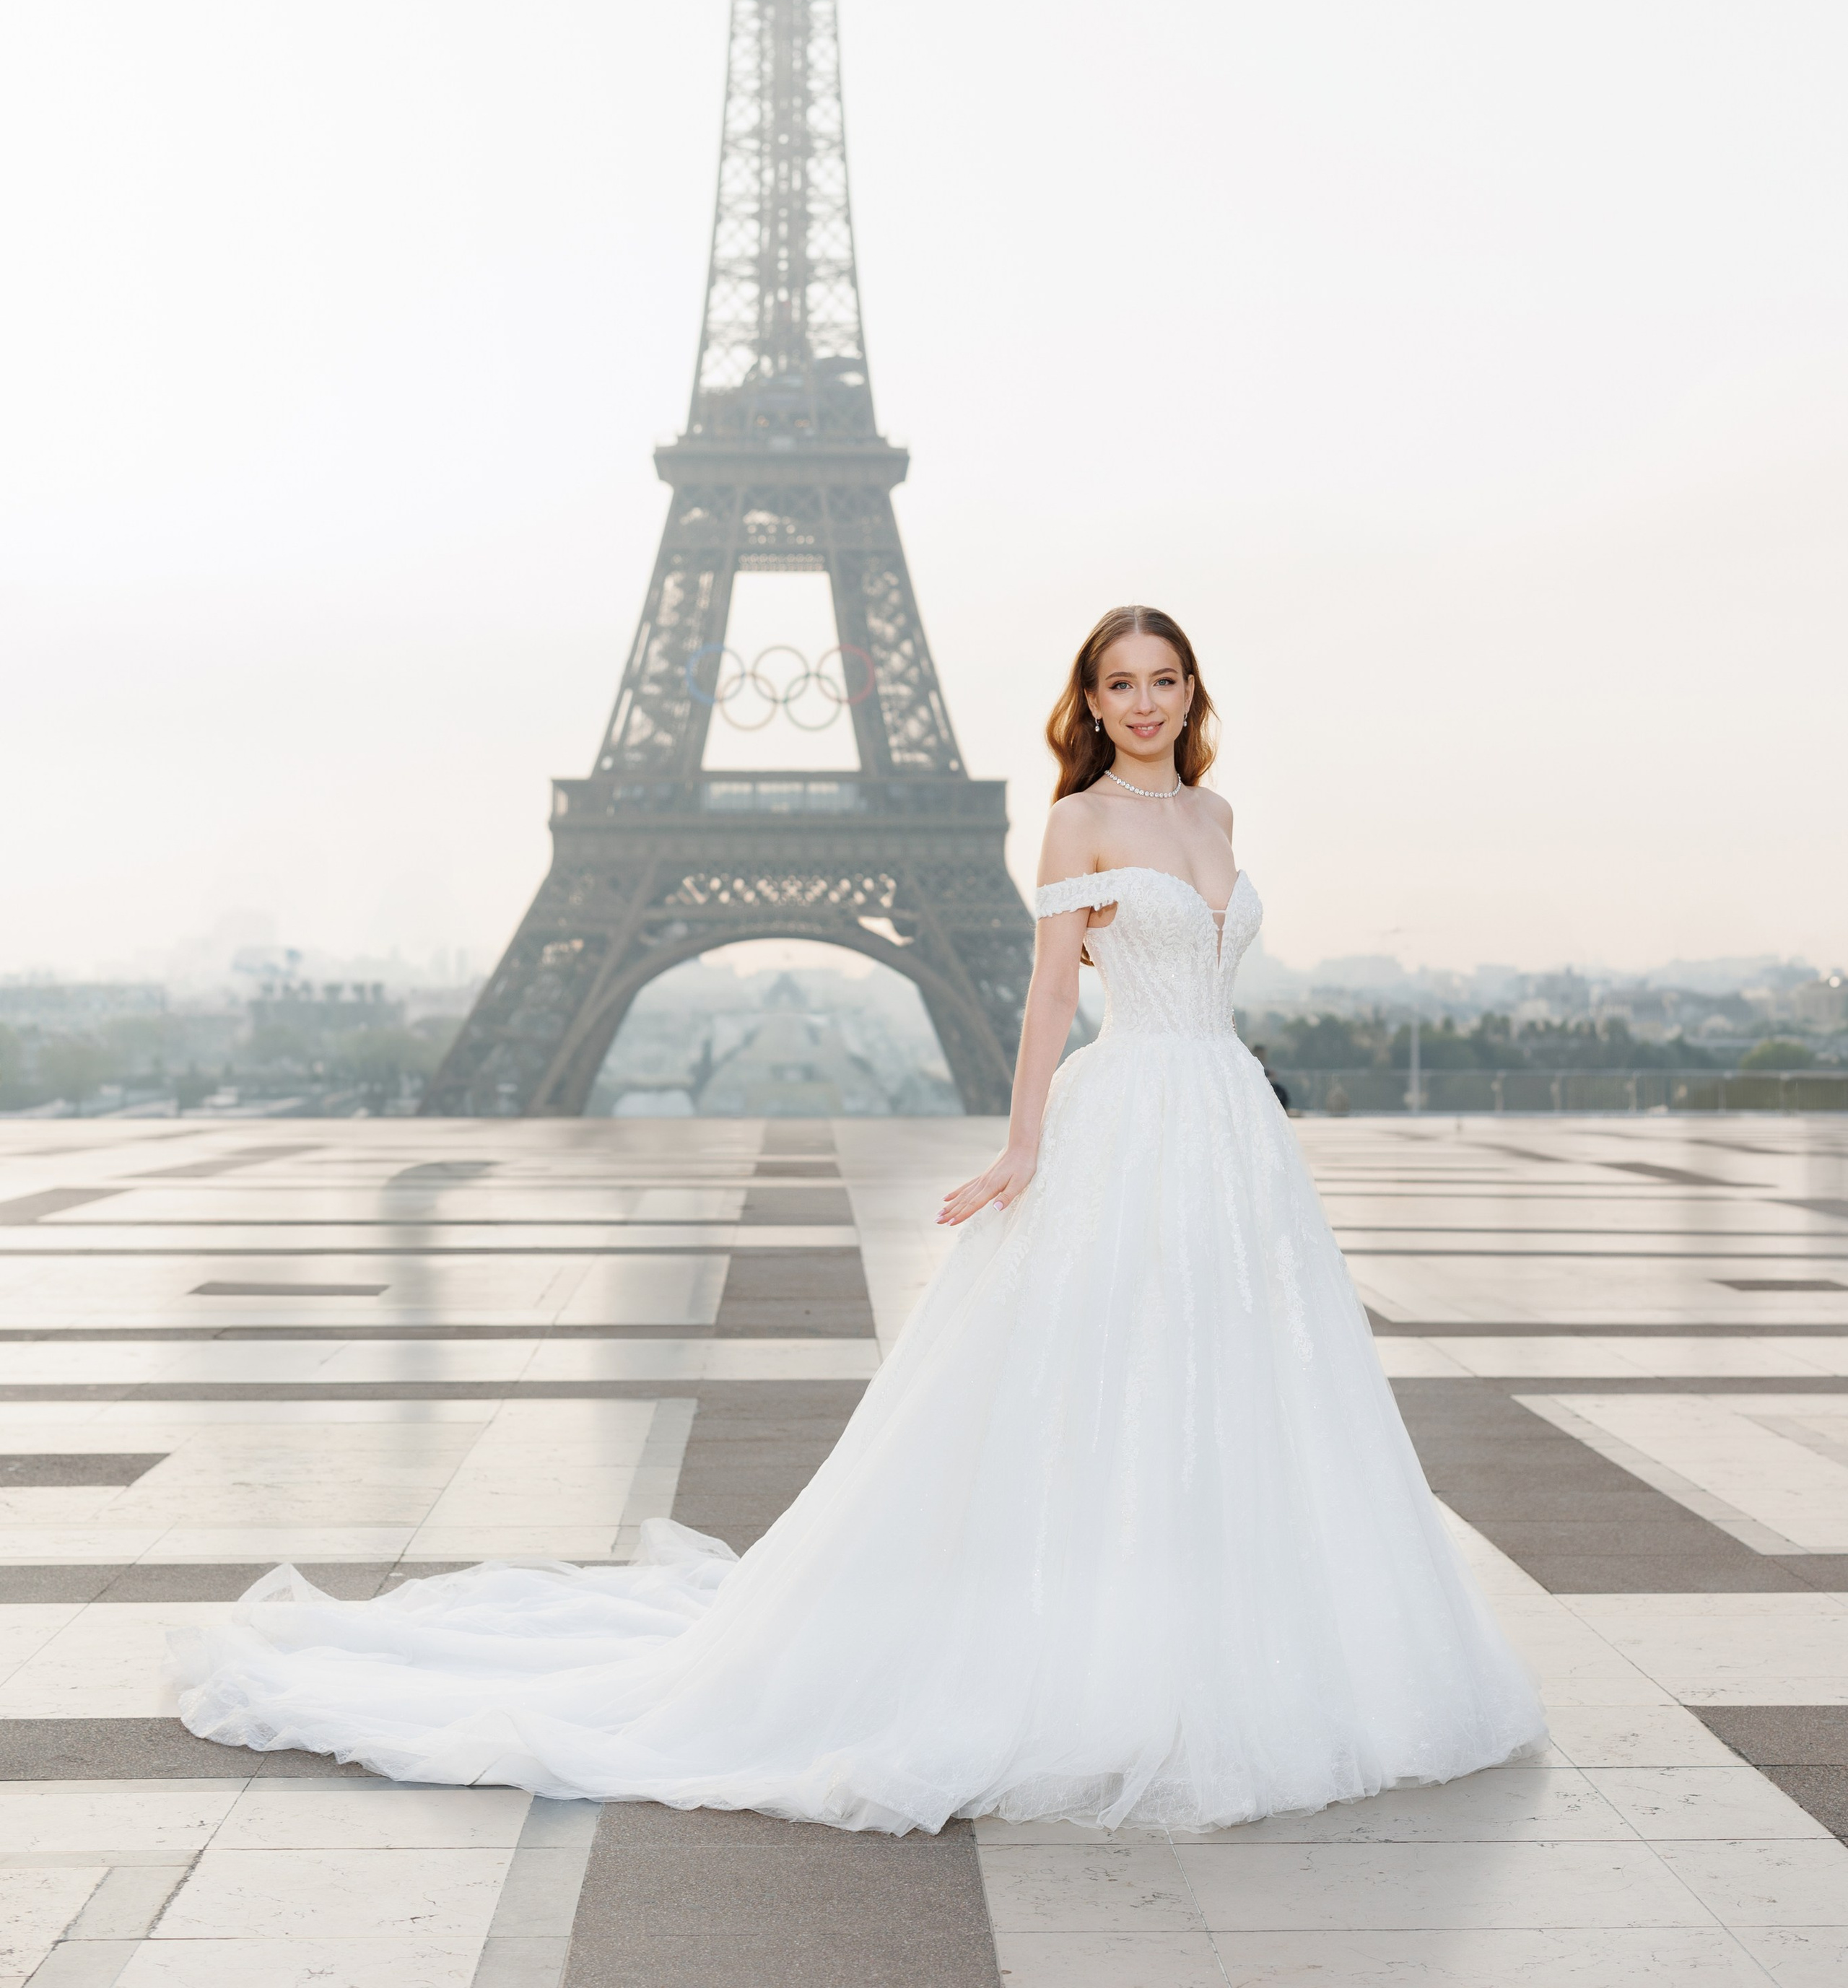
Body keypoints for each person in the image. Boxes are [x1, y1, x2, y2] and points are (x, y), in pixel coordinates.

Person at [170, 603, 1543, 1831]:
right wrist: (1024, 1144)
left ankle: (1214, 1646)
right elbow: (1051, 996)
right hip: (1132, 1112)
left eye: (1164, 679)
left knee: (1233, 1381)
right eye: (1120, 682)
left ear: (1193, 690)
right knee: (1112, 1378)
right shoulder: (1080, 821)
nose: (1143, 702)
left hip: (1228, 1125)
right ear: (1090, 697)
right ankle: (1110, 1661)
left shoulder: (1220, 817)